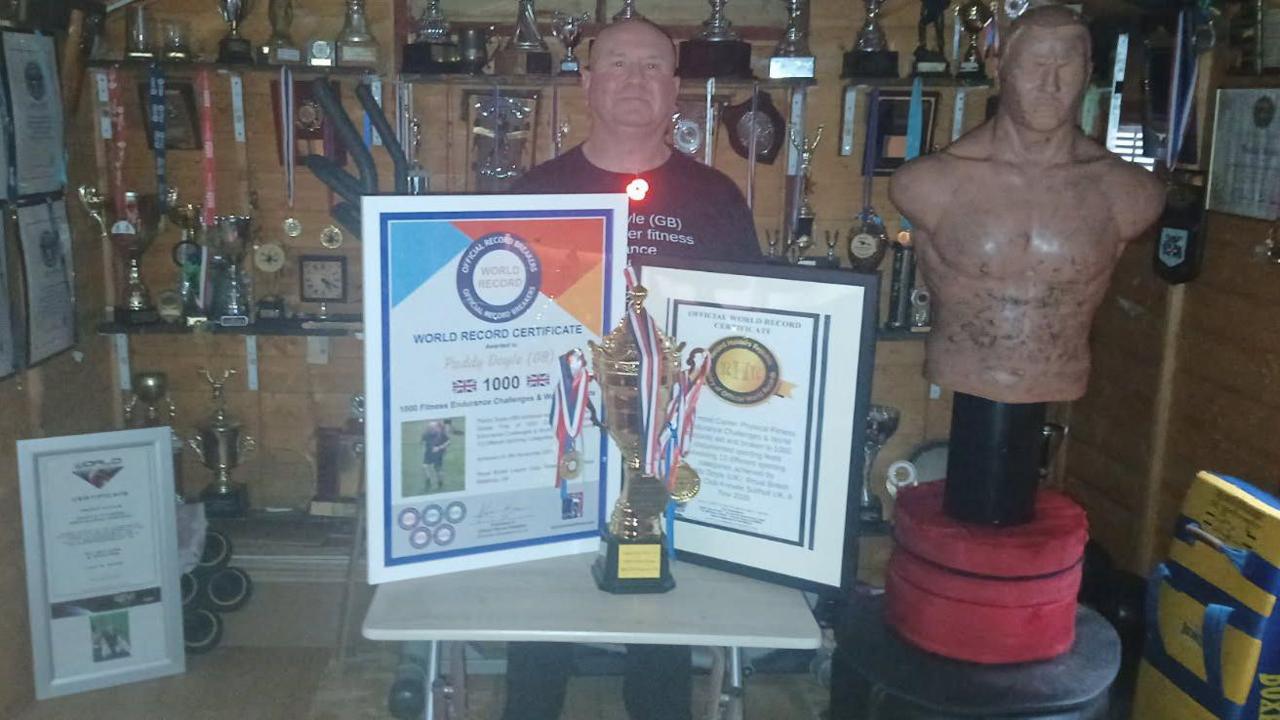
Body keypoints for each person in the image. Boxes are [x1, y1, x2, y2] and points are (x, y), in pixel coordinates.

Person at [503, 18, 761, 720]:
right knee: (543, 610)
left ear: (675, 88)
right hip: (569, 433)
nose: (636, 80)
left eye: (653, 67)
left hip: (672, 440)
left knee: (664, 618)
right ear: (586, 82)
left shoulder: (717, 197)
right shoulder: (535, 192)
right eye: (618, 64)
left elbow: (749, 324)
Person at [888, 4, 1164, 523]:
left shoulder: (1127, 192)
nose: (1051, 82)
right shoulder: (929, 183)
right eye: (1035, 62)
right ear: (1001, 68)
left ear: (1089, 73)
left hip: (1060, 374)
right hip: (964, 370)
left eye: (1068, 64)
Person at [421, 421, 450, 491]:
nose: (430, 429)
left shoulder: (441, 434)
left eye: (432, 427)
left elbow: (448, 442)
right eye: (429, 427)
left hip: (438, 453)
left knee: (437, 469)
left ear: (436, 428)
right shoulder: (426, 434)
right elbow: (423, 441)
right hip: (428, 452)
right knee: (425, 466)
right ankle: (428, 480)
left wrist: (440, 447)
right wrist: (424, 446)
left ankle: (440, 482)